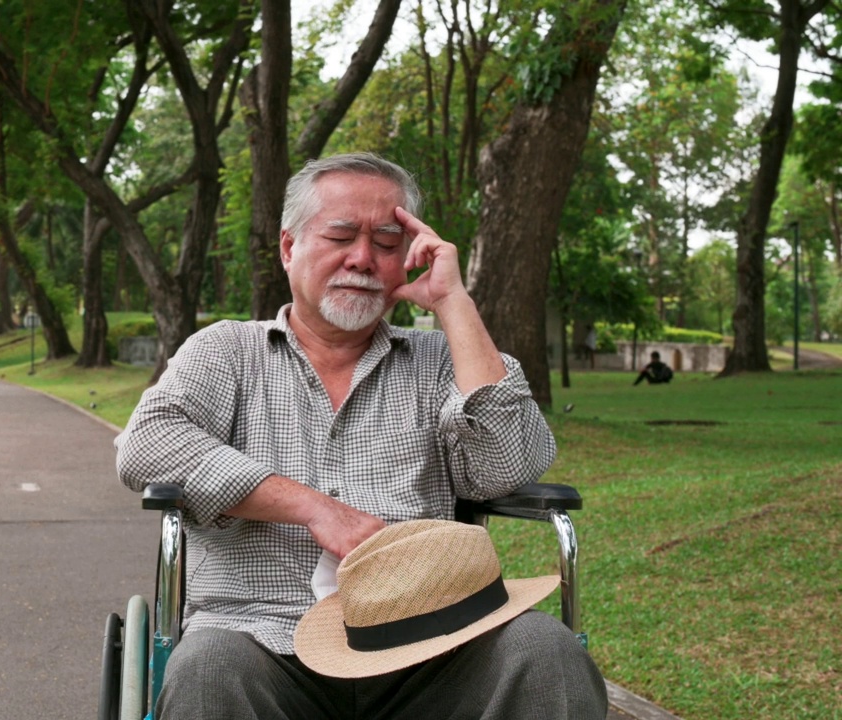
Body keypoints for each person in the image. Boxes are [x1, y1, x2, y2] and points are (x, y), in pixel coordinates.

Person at [115, 153, 606, 719]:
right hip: (261, 640)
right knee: (208, 668)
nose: (363, 258)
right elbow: (148, 443)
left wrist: (453, 303)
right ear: (288, 247)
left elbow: (507, 467)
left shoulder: (444, 361)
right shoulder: (227, 351)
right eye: (341, 235)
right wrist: (315, 509)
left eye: (389, 242)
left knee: (546, 651)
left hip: (429, 648)